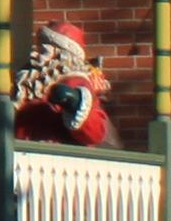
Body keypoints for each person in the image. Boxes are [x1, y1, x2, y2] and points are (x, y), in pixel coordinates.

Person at [10, 20, 115, 149]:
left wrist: (74, 101)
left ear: (62, 56)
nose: (36, 55)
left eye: (44, 50)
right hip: (21, 154)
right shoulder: (28, 84)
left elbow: (95, 132)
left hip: (52, 156)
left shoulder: (75, 81)